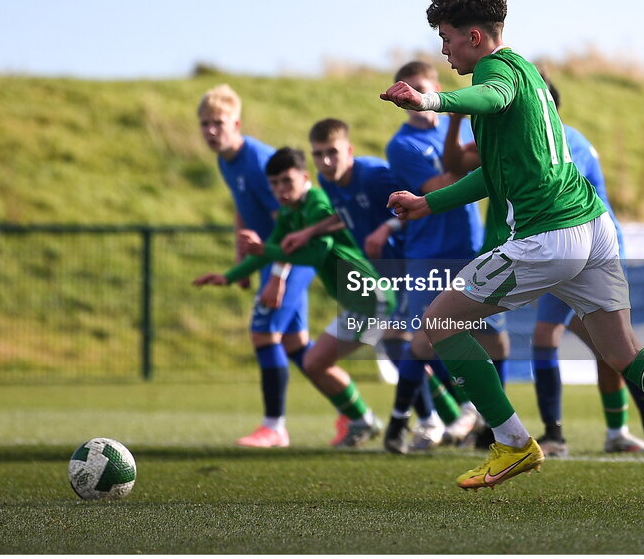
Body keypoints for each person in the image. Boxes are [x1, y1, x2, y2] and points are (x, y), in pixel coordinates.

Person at [381, 0, 644, 503]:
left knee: (440, 322)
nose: (443, 50)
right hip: (593, 228)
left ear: (475, 36)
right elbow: (496, 173)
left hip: (549, 235)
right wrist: (426, 203)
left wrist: (433, 99)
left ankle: (512, 440)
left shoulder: (497, 73)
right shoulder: (530, 71)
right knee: (625, 352)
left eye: (446, 38)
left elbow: (489, 94)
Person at [441, 79, 644, 458]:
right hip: (571, 240)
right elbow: (458, 165)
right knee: (612, 346)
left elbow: (547, 188)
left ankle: (555, 436)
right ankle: (629, 431)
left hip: (578, 243)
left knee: (554, 336)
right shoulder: (534, 139)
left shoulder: (558, 142)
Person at [286, 117, 463, 452]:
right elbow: (346, 214)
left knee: (419, 344)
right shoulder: (332, 184)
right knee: (410, 346)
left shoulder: (374, 174)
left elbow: (415, 203)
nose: (325, 161)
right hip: (387, 275)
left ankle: (447, 418)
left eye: (332, 153)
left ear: (349, 151)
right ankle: (450, 419)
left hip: (410, 267)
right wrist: (310, 232)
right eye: (318, 154)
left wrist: (387, 229)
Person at [194, 147, 390, 448]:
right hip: (358, 302)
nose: (280, 190)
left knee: (414, 361)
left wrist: (266, 252)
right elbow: (270, 248)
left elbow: (314, 252)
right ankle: (363, 420)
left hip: (372, 297)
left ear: (304, 177)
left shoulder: (317, 204)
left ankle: (447, 420)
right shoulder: (290, 212)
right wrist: (229, 276)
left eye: (286, 181)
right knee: (314, 361)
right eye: (274, 184)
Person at [382, 61, 509, 453]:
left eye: (420, 89)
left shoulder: (466, 129)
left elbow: (477, 166)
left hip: (471, 248)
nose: (415, 99)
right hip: (428, 253)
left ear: (435, 89)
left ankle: (490, 426)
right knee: (423, 340)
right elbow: (440, 184)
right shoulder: (401, 145)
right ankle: (400, 422)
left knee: (496, 343)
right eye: (407, 91)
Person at [196, 85, 317, 449]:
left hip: (291, 256)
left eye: (218, 122)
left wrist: (277, 276)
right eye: (204, 124)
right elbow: (241, 206)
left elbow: (292, 223)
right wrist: (242, 261)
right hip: (270, 256)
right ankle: (357, 415)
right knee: (298, 346)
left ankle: (274, 427)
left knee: (264, 335)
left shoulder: (261, 161)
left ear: (237, 122)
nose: (211, 131)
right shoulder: (225, 160)